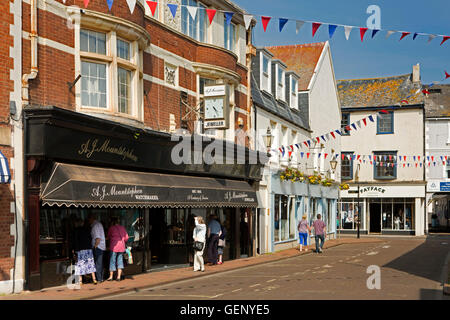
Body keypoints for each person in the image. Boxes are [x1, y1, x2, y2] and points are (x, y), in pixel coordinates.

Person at [72, 218, 97, 285]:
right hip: (88, 249)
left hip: (80, 250)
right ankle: (94, 279)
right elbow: (90, 239)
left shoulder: (76, 230)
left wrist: (74, 250)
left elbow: (75, 241)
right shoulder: (87, 230)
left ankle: (80, 281)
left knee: (80, 264)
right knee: (90, 263)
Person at [106, 216, 129, 281]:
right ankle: (118, 277)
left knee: (112, 261)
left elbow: (108, 237)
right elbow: (127, 237)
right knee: (120, 261)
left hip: (114, 247)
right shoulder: (122, 228)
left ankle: (111, 277)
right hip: (121, 247)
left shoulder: (111, 228)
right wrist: (122, 241)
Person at [88, 213, 106, 282]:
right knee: (99, 263)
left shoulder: (95, 226)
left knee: (98, 263)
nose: (88, 221)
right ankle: (100, 277)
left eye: (89, 219)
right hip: (101, 246)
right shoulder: (99, 224)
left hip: (98, 247)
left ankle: (99, 278)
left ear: (92, 219)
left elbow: (97, 238)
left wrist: (95, 246)